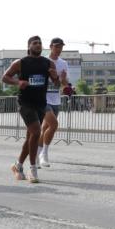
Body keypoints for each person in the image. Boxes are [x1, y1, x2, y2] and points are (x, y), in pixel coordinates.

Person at [2, 36, 59, 184]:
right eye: (35, 43)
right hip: (25, 102)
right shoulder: (20, 63)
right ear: (29, 46)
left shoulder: (48, 63)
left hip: (40, 103)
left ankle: (17, 165)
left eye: (40, 43)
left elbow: (57, 84)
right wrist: (18, 82)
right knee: (36, 131)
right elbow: (5, 77)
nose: (38, 45)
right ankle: (32, 168)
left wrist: (55, 77)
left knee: (30, 138)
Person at [37, 37, 70, 167]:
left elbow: (65, 83)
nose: (58, 49)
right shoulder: (44, 61)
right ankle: (44, 154)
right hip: (43, 99)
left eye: (61, 47)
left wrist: (62, 79)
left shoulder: (63, 63)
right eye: (56, 46)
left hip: (55, 98)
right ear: (50, 47)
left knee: (45, 128)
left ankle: (36, 155)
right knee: (54, 125)